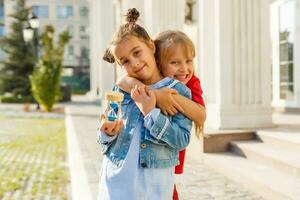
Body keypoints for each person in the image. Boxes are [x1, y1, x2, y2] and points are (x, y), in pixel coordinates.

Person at [97, 8, 193, 200]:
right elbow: (104, 139)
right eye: (125, 61)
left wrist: (152, 114)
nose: (134, 62)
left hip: (153, 187)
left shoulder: (178, 91)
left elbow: (182, 140)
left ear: (151, 46)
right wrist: (106, 132)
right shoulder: (121, 91)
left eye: (137, 52)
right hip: (115, 184)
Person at [117, 30, 206, 200]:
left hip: (169, 150)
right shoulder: (150, 78)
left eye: (189, 61)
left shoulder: (191, 81)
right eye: (175, 62)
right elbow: (122, 81)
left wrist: (165, 96)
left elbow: (201, 115)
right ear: (159, 62)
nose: (184, 68)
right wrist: (157, 94)